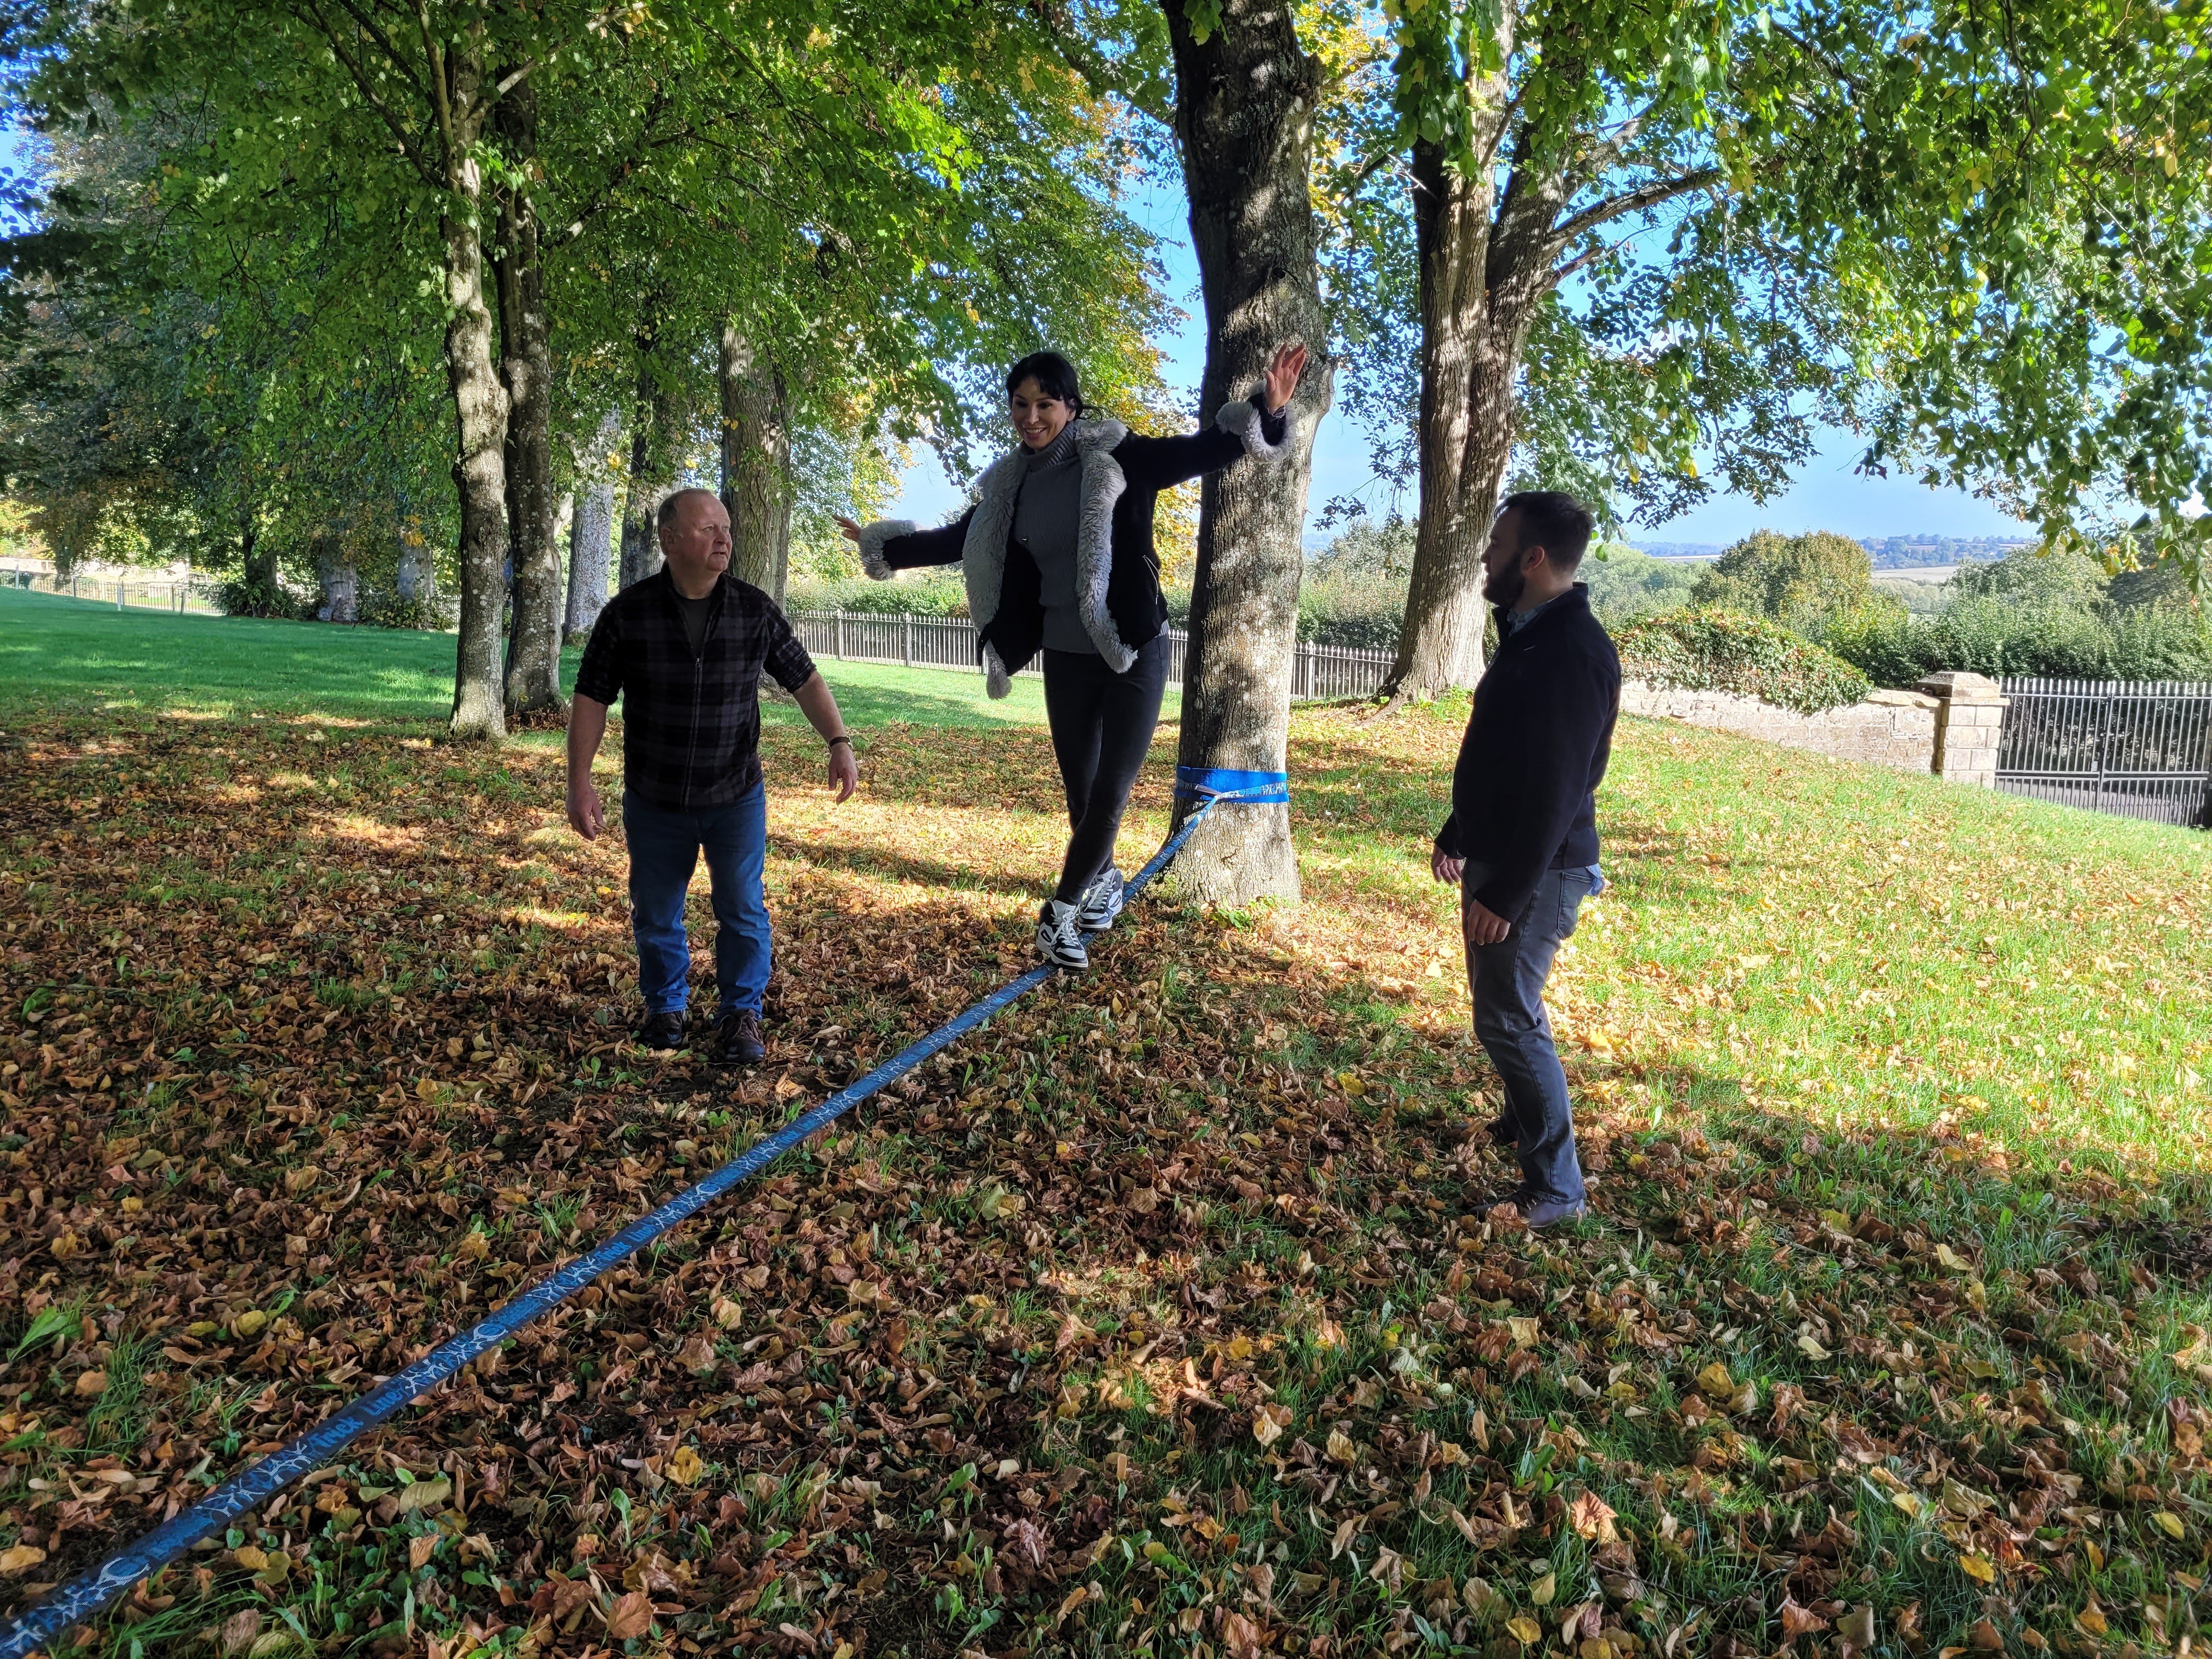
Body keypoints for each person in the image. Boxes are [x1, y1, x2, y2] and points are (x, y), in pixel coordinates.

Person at [838, 343, 1306, 969]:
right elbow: (961, 540)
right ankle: (1104, 882)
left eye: (1045, 404)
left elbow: (1198, 451)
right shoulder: (1010, 486)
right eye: (1021, 405)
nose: (1032, 417)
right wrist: (884, 548)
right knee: (1082, 796)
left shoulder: (1118, 456)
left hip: (1132, 650)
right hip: (1066, 655)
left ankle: (1059, 913)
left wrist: (1265, 410)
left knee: (1111, 792)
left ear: (1071, 406)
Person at [567, 488, 860, 1063]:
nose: (725, 538)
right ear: (670, 540)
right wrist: (579, 781)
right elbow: (591, 699)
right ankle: (665, 1007)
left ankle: (740, 1015)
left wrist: (839, 742)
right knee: (656, 913)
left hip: (734, 795)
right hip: (654, 798)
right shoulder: (627, 614)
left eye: (727, 528)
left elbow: (805, 679)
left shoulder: (753, 610)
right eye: (709, 530)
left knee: (743, 909)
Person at [1431, 491, 1621, 1229]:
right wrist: (1459, 830)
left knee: (1509, 1018)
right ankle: (1520, 1124)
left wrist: (1506, 895)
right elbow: (1504, 757)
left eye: (1499, 544)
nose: (1487, 556)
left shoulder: (1573, 653)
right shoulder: (1533, 633)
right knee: (1498, 1010)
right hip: (1507, 858)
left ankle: (1556, 1190)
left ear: (1533, 560)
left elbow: (1558, 788)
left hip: (1538, 870)